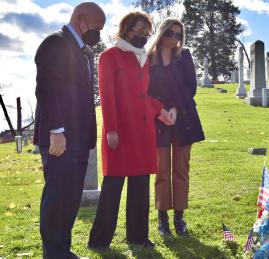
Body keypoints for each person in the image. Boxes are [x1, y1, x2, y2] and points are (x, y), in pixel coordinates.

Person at [87, 11, 168, 249]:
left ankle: (138, 237)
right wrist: (111, 128)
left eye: (146, 32)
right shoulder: (109, 57)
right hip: (120, 133)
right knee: (112, 188)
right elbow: (107, 95)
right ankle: (99, 241)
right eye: (138, 31)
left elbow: (144, 96)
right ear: (126, 30)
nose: (143, 36)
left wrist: (159, 110)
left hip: (143, 133)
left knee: (140, 187)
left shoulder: (143, 58)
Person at [33, 2, 105, 258]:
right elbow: (46, 89)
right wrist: (57, 130)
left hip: (78, 140)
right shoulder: (55, 43)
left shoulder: (84, 52)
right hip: (59, 138)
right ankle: (53, 254)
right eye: (97, 28)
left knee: (70, 199)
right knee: (57, 198)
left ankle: (62, 250)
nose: (98, 34)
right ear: (81, 20)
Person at [148, 17, 205, 236]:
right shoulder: (150, 58)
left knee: (181, 169)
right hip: (159, 119)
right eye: (170, 33)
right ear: (162, 33)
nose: (174, 38)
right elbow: (147, 90)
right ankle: (162, 217)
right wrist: (160, 111)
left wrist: (173, 108)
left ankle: (179, 217)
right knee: (162, 170)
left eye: (178, 34)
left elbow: (190, 86)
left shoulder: (184, 57)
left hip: (183, 118)